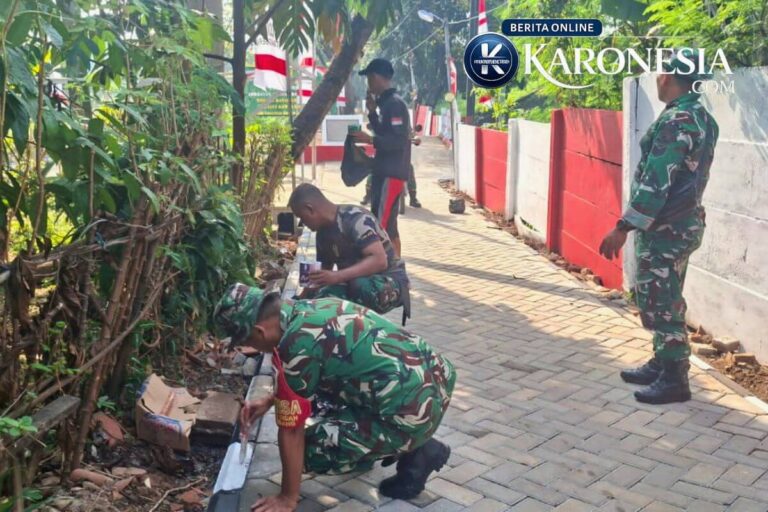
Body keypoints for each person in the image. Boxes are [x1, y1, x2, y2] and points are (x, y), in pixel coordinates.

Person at [214, 284, 455, 512]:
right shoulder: (312, 307)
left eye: (246, 342)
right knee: (323, 396)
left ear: (259, 331)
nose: (249, 348)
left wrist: (287, 497)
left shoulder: (295, 346)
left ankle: (414, 448)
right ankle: (393, 439)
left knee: (310, 449)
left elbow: (291, 430)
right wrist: (269, 401)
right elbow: (302, 381)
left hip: (413, 413)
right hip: (436, 381)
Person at [599, 49, 719, 405]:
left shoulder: (677, 121)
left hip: (666, 229)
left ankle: (675, 379)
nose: (657, 78)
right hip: (683, 224)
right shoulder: (701, 118)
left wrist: (623, 227)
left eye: (660, 72)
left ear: (668, 78)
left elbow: (657, 181)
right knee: (665, 295)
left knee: (661, 301)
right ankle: (661, 360)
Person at [288, 183, 410, 320]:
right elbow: (321, 274)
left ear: (310, 209)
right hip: (354, 282)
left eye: (302, 218)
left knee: (358, 285)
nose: (304, 224)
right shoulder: (322, 234)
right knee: (321, 298)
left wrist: (336, 276)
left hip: (389, 281)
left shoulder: (355, 219)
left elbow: (380, 261)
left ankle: (366, 329)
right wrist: (299, 300)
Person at [351, 58, 411, 257]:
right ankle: (397, 269)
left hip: (391, 173)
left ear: (376, 78)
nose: (368, 83)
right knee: (388, 225)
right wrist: (371, 113)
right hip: (386, 172)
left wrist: (371, 140)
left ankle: (388, 270)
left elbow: (398, 141)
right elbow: (385, 133)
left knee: (380, 225)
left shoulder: (394, 105)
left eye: (369, 78)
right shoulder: (386, 105)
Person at [362, 125, 423, 209]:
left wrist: (417, 139)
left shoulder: (404, 127)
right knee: (373, 171)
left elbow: (413, 135)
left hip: (400, 158)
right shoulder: (381, 127)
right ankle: (368, 196)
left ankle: (413, 198)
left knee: (410, 169)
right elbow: (372, 135)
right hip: (383, 158)